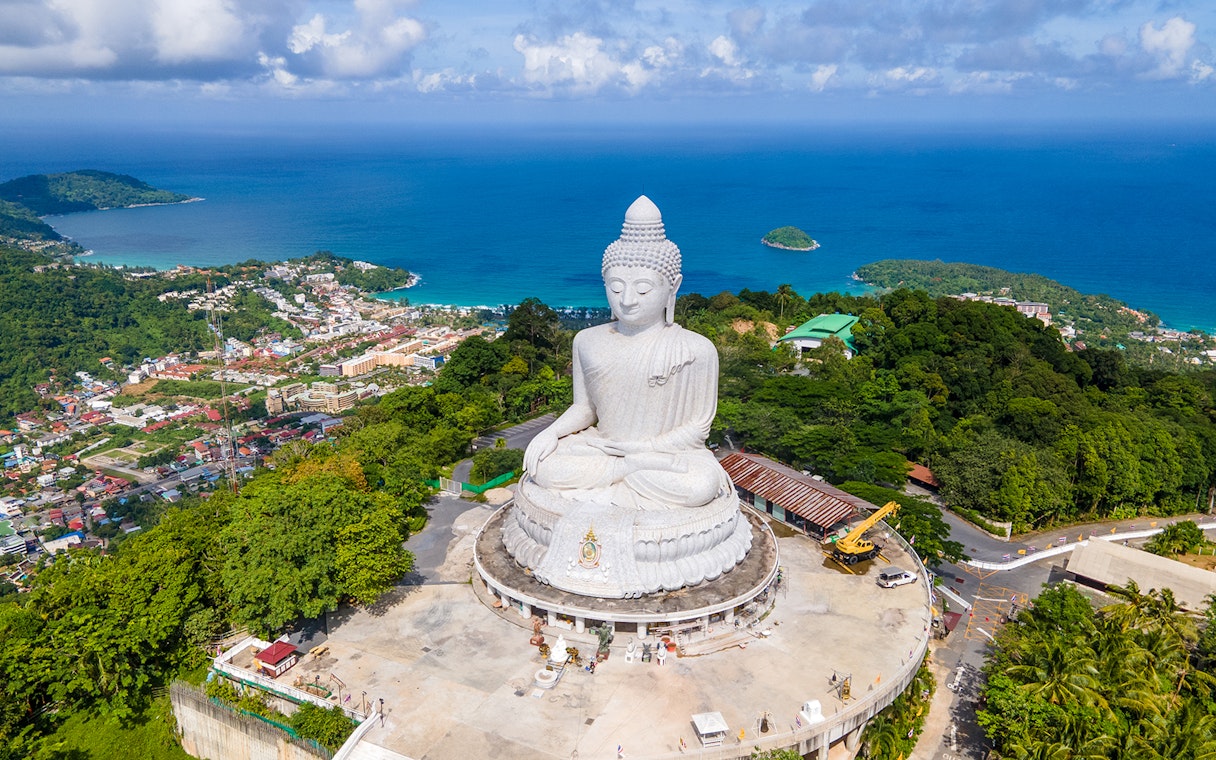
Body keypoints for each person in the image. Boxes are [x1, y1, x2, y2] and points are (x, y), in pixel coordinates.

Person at [523, 195, 728, 511]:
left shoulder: (696, 350)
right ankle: (623, 473)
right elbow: (585, 409)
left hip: (662, 456)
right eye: (616, 288)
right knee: (545, 467)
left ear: (673, 287)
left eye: (643, 289)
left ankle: (621, 475)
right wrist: (550, 433)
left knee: (700, 486)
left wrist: (642, 449)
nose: (628, 299)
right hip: (605, 449)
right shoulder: (586, 340)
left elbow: (697, 429)